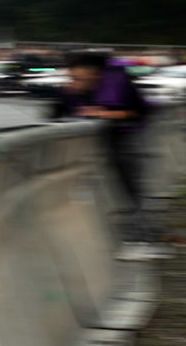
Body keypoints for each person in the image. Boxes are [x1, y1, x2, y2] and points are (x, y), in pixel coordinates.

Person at [50, 51, 174, 260]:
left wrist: (102, 113)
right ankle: (144, 239)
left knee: (132, 191)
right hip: (115, 141)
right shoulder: (83, 87)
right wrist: (68, 94)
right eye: (72, 78)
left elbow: (137, 111)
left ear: (94, 73)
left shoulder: (116, 81)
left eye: (79, 78)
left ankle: (146, 242)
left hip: (130, 140)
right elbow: (57, 114)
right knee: (126, 191)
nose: (74, 82)